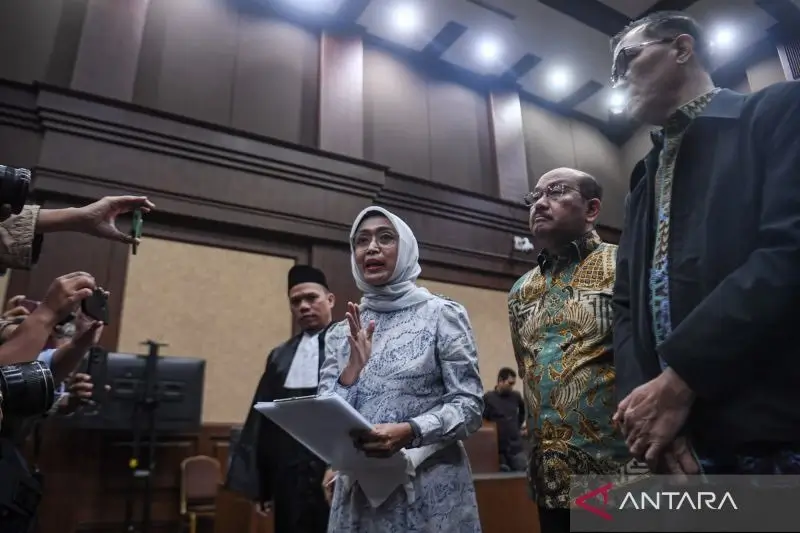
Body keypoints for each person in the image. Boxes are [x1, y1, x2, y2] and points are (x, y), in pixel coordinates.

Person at [610, 11, 800, 476]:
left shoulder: (779, 110)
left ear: (681, 49)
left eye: (625, 60)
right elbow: (625, 306)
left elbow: (788, 252)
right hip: (673, 442)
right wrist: (646, 409)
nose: (618, 79)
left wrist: (681, 379)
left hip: (771, 431)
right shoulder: (641, 180)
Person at [318, 206, 484, 533]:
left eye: (385, 238)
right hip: (359, 492)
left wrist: (411, 430)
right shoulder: (341, 332)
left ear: (406, 247)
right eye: (361, 241)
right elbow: (326, 418)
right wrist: (351, 371)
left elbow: (470, 406)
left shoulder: (441, 315)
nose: (372, 248)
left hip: (428, 488)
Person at [508, 168, 642, 533]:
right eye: (534, 196)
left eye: (555, 192)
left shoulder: (624, 265)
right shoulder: (520, 290)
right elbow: (527, 371)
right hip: (549, 477)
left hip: (619, 470)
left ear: (592, 209)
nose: (540, 203)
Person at [227, 265, 335, 533]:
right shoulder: (280, 356)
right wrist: (261, 485)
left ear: (330, 300)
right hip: (288, 473)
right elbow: (262, 421)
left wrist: (343, 465)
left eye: (312, 298)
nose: (304, 306)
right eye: (296, 302)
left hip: (333, 469)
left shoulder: (351, 346)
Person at [482, 367, 527, 472]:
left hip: (515, 447)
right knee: (502, 472)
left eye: (513, 384)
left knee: (524, 469)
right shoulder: (489, 398)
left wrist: (517, 426)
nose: (512, 387)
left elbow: (523, 411)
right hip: (498, 449)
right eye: (510, 383)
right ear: (500, 381)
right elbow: (484, 419)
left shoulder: (516, 396)